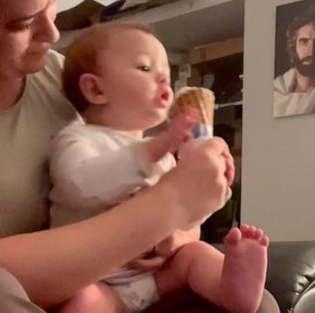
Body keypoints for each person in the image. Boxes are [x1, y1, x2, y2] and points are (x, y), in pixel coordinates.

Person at [0, 0, 236, 312]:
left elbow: (149, 180)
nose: (53, 31)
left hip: (121, 284)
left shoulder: (62, 78)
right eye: (23, 22)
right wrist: (171, 203)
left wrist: (178, 227)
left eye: (55, 2)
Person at [49, 22, 271, 313]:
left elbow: (184, 220)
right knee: (82, 302)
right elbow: (80, 185)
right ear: (95, 88)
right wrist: (155, 148)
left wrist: (214, 185)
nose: (163, 82)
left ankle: (233, 290)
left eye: (166, 76)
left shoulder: (164, 156)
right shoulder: (77, 138)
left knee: (196, 254)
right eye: (144, 69)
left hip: (158, 277)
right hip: (99, 280)